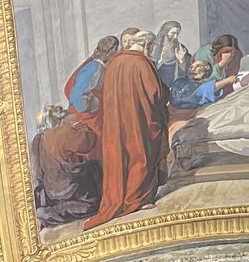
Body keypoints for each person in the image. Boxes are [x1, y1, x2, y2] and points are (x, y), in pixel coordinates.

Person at [34, 34, 116, 221]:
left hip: (58, 184)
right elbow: (78, 98)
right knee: (97, 156)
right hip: (89, 120)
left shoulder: (46, 136)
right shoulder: (94, 67)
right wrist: (93, 105)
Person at [91, 28, 170, 222]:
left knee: (121, 157)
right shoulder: (142, 63)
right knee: (140, 156)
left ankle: (122, 199)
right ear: (147, 44)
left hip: (117, 122)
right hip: (138, 121)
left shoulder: (115, 63)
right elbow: (156, 94)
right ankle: (136, 200)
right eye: (151, 46)